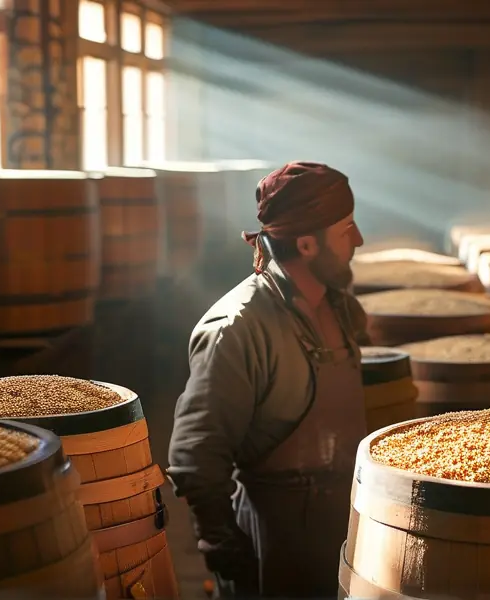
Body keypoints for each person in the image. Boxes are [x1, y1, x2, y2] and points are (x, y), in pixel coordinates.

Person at [167, 161, 369, 599]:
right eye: (347, 229)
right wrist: (221, 542)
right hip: (277, 540)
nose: (358, 240)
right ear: (306, 244)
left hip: (344, 526)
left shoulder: (339, 309)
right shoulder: (237, 328)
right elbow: (195, 455)